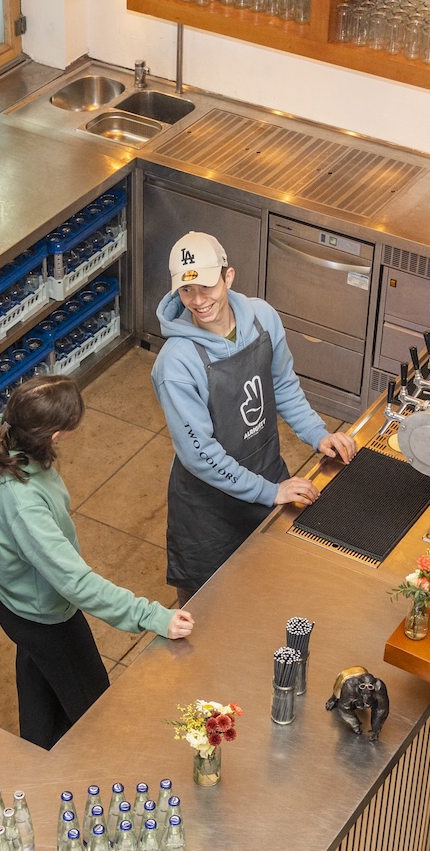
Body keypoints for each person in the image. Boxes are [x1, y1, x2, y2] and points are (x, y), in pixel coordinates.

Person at [0, 375, 194, 748]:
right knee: (96, 711)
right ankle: (105, 768)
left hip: (14, 598)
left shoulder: (2, 439)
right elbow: (76, 583)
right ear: (54, 436)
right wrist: (153, 616)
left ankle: (36, 750)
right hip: (42, 615)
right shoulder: (24, 505)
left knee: (39, 676)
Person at [152, 230, 359, 599]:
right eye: (186, 290)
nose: (198, 300)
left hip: (266, 472)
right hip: (208, 512)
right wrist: (269, 491)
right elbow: (199, 455)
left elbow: (282, 385)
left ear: (228, 277)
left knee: (270, 591)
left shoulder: (262, 318)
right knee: (208, 609)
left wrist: (318, 434)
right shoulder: (177, 363)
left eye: (206, 286)